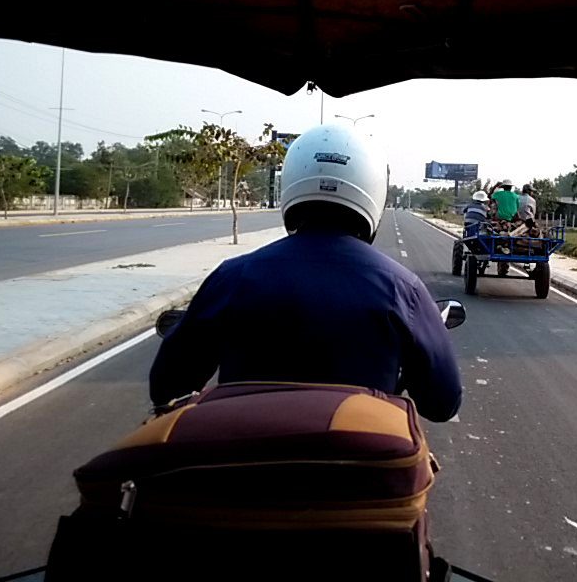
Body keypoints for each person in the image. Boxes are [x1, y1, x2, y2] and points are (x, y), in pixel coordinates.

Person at [149, 123, 462, 423]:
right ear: (375, 191)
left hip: (244, 467)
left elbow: (166, 387)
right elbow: (442, 404)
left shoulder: (233, 276)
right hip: (360, 470)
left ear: (292, 182)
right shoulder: (402, 288)